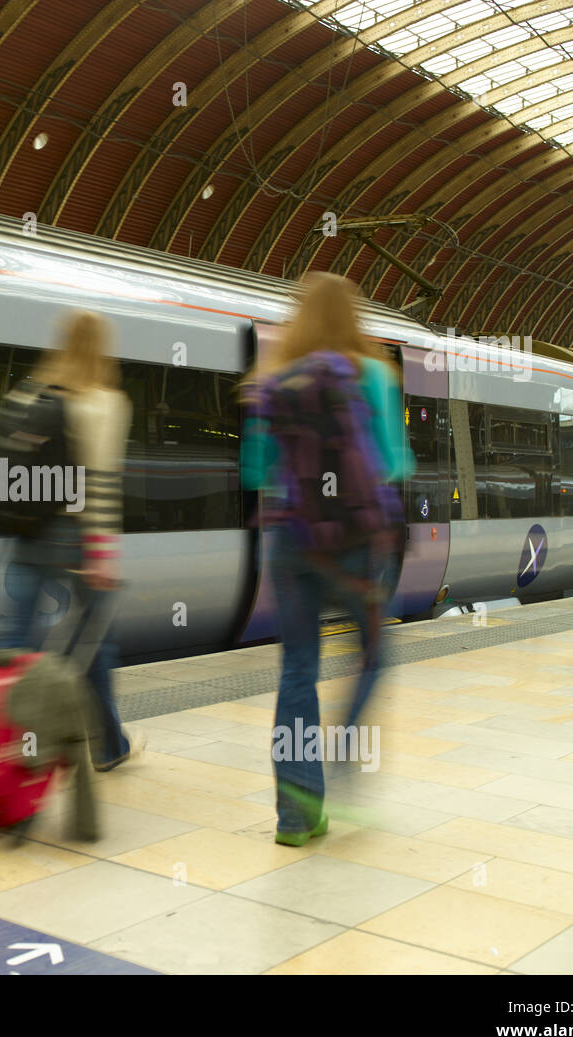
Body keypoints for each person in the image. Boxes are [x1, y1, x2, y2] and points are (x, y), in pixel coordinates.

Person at [240, 272, 413, 846]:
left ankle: (295, 814)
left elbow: (253, 472)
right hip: (358, 542)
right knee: (373, 656)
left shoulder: (273, 380)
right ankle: (342, 751)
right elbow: (395, 463)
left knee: (297, 672)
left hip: (292, 539)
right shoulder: (375, 375)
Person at [0, 310, 143, 771]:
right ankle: (109, 745)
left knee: (16, 640)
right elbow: (98, 482)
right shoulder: (105, 401)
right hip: (75, 537)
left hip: (26, 531)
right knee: (95, 643)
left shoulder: (33, 389)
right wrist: (99, 554)